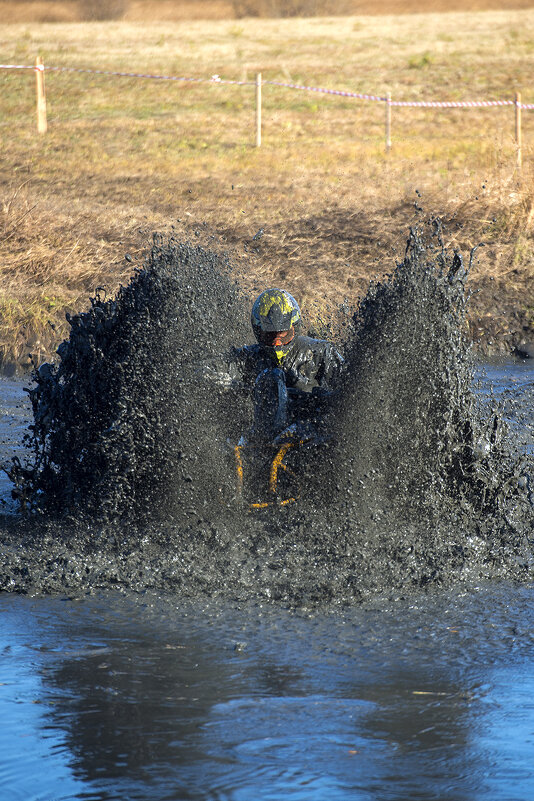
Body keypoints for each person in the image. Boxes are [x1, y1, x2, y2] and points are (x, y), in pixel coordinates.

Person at [207, 288, 344, 444]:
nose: (277, 343)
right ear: (258, 332)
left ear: (295, 327)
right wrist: (233, 385)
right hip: (262, 439)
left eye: (283, 334)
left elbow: (352, 390)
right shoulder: (249, 357)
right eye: (270, 336)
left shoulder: (320, 352)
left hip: (310, 437)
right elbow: (203, 369)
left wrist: (316, 416)